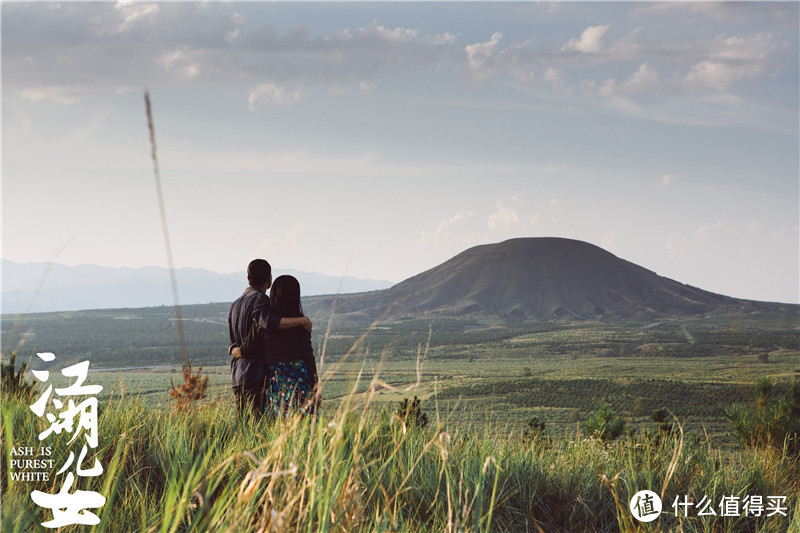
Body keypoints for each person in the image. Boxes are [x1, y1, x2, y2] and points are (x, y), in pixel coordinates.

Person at [228, 259, 312, 420]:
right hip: (256, 375)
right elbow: (267, 322)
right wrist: (301, 321)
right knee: (259, 431)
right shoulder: (261, 301)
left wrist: (234, 350)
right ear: (269, 279)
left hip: (237, 377)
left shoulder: (235, 305)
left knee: (244, 431)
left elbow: (235, 340)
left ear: (248, 277)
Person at [263, 275, 319, 419]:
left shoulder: (267, 323)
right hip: (300, 378)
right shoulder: (301, 322)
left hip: (276, 381)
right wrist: (315, 384)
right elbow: (308, 355)